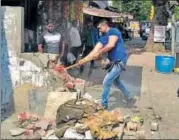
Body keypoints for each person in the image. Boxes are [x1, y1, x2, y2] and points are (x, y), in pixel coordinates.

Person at [78, 20, 135, 108]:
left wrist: (99, 52)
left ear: (105, 26)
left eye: (100, 28)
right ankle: (130, 97)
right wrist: (84, 60)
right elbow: (94, 51)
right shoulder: (103, 37)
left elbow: (111, 45)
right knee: (116, 81)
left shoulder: (113, 31)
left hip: (119, 61)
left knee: (106, 81)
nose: (99, 30)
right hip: (114, 62)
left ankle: (104, 105)